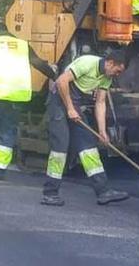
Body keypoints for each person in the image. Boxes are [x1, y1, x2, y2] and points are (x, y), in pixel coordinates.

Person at [41, 49, 130, 206]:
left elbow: (100, 102)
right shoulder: (87, 63)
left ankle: (103, 191)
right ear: (110, 63)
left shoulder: (106, 77)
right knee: (60, 147)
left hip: (73, 105)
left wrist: (102, 131)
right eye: (117, 71)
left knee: (88, 145)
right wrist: (69, 108)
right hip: (58, 103)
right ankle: (50, 193)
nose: (117, 75)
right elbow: (61, 81)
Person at [0, 34, 57, 180]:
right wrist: (54, 75)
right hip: (16, 99)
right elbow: (38, 63)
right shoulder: (22, 45)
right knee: (7, 133)